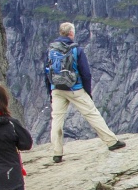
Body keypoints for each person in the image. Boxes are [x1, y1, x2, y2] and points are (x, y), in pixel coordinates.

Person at [41, 21, 126, 163]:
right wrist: (88, 92)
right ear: (71, 33)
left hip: (57, 89)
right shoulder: (76, 50)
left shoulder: (51, 50)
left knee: (57, 119)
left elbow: (47, 72)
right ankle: (111, 142)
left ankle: (57, 153)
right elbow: (86, 74)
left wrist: (51, 91)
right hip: (75, 89)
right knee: (92, 114)